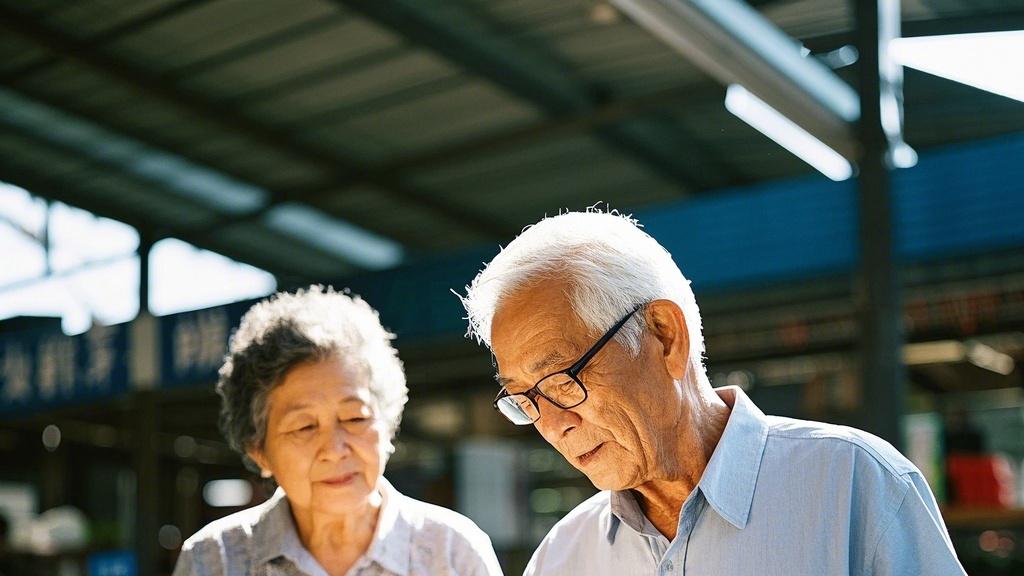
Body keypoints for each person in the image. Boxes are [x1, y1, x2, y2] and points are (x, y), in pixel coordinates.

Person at [459, 209, 965, 575]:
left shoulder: (854, 483)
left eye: (563, 381)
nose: (552, 425)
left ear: (664, 336)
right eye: (525, 399)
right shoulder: (562, 558)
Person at [174, 286, 502, 576]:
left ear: (386, 425)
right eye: (304, 426)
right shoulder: (213, 559)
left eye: (355, 418)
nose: (334, 448)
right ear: (259, 451)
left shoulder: (452, 552)